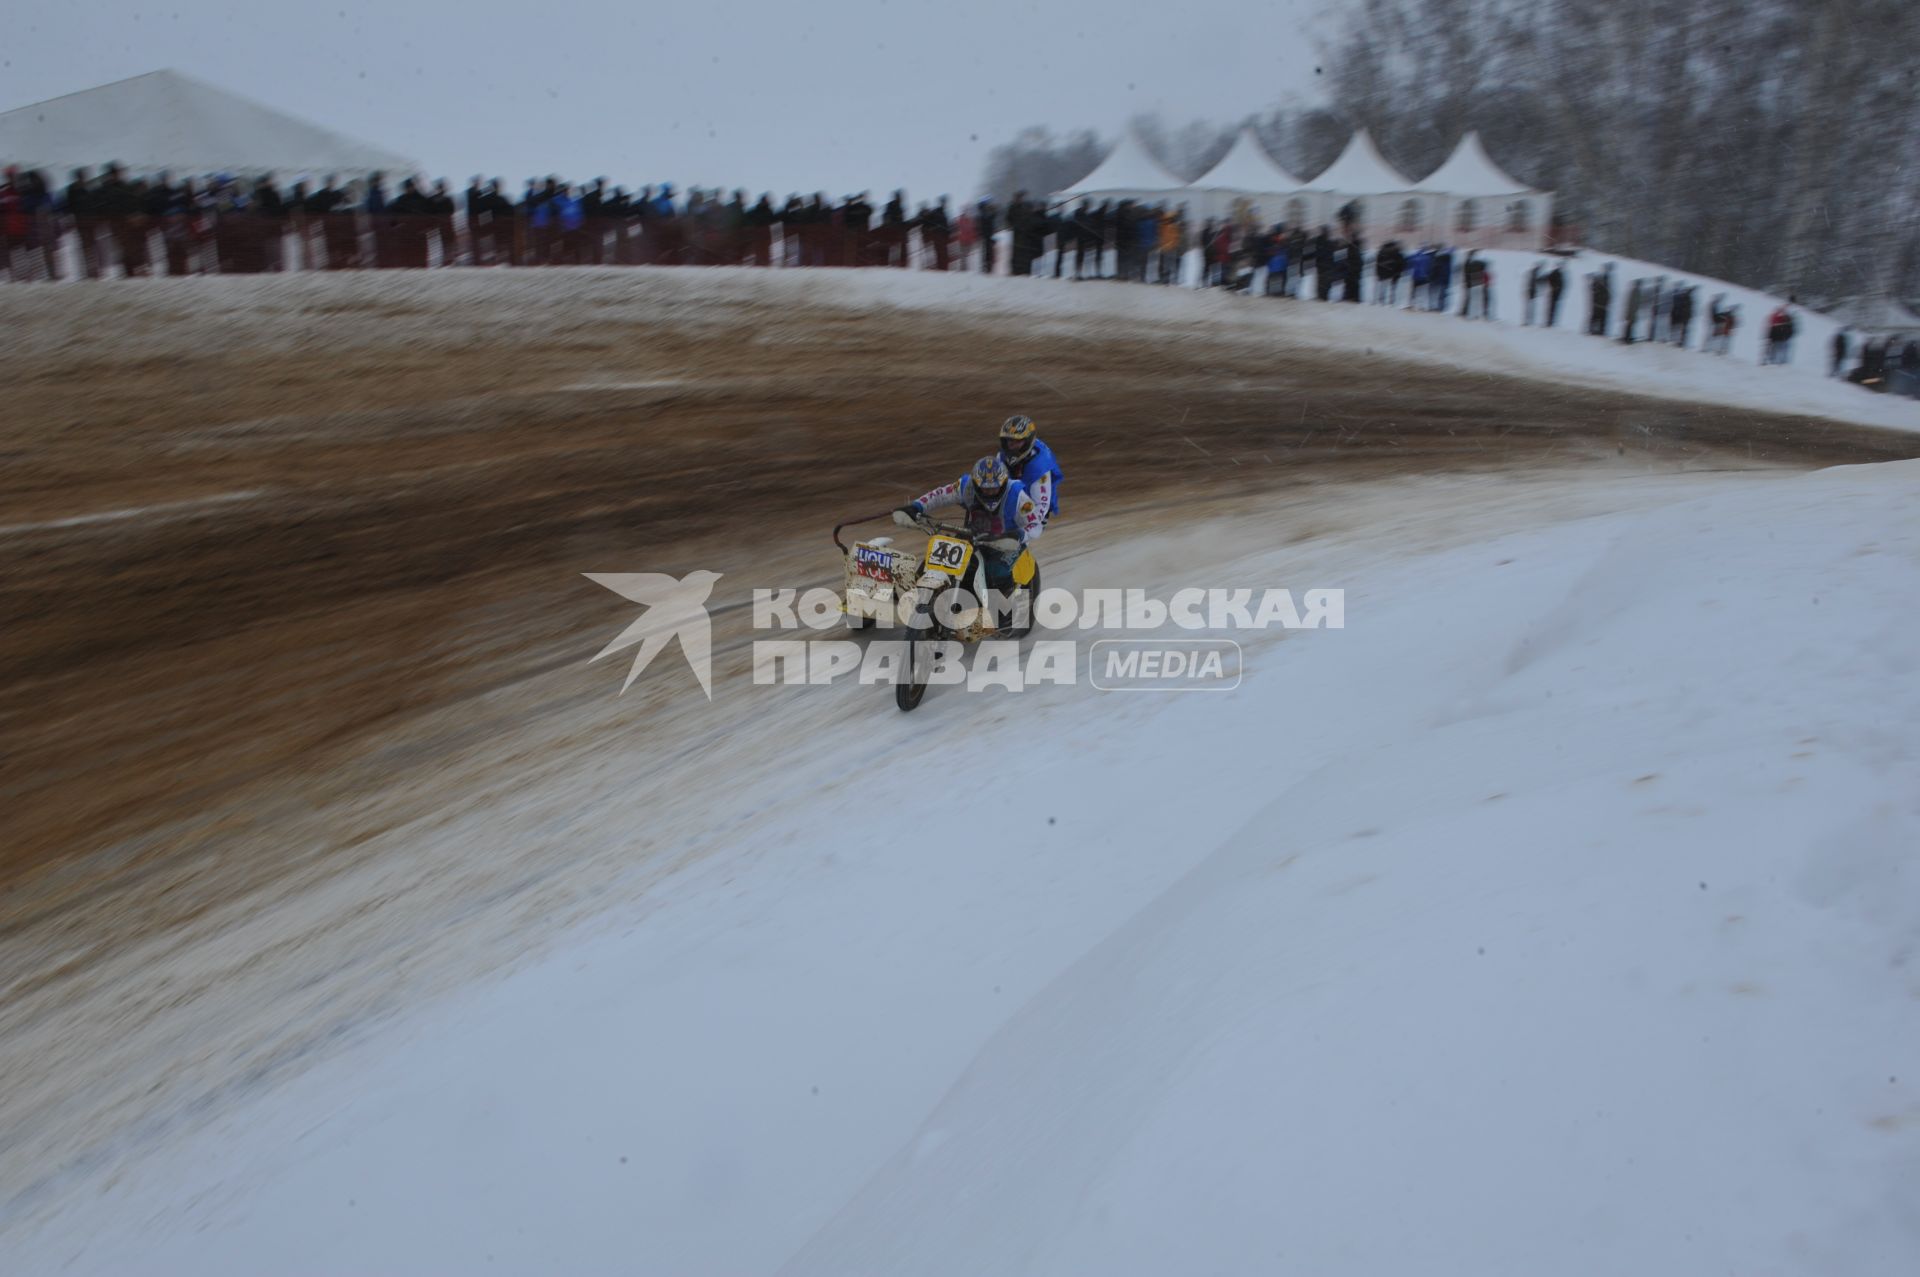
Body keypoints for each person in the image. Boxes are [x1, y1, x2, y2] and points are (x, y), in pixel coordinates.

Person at [895, 454, 1045, 594]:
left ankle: (1003, 611)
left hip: (1008, 542)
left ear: (1004, 482)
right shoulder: (966, 486)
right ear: (976, 484)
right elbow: (940, 495)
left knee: (996, 572)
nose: (990, 492)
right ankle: (920, 589)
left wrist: (1020, 534)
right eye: (985, 488)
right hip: (973, 536)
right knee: (940, 554)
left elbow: (1035, 524)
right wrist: (917, 506)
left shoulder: (1018, 495)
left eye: (994, 488)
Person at [997, 415, 1062, 524]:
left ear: (1027, 441)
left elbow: (1041, 506)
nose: (1012, 446)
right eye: (1009, 441)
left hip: (1036, 507)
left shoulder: (1040, 466)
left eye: (1017, 441)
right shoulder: (1002, 455)